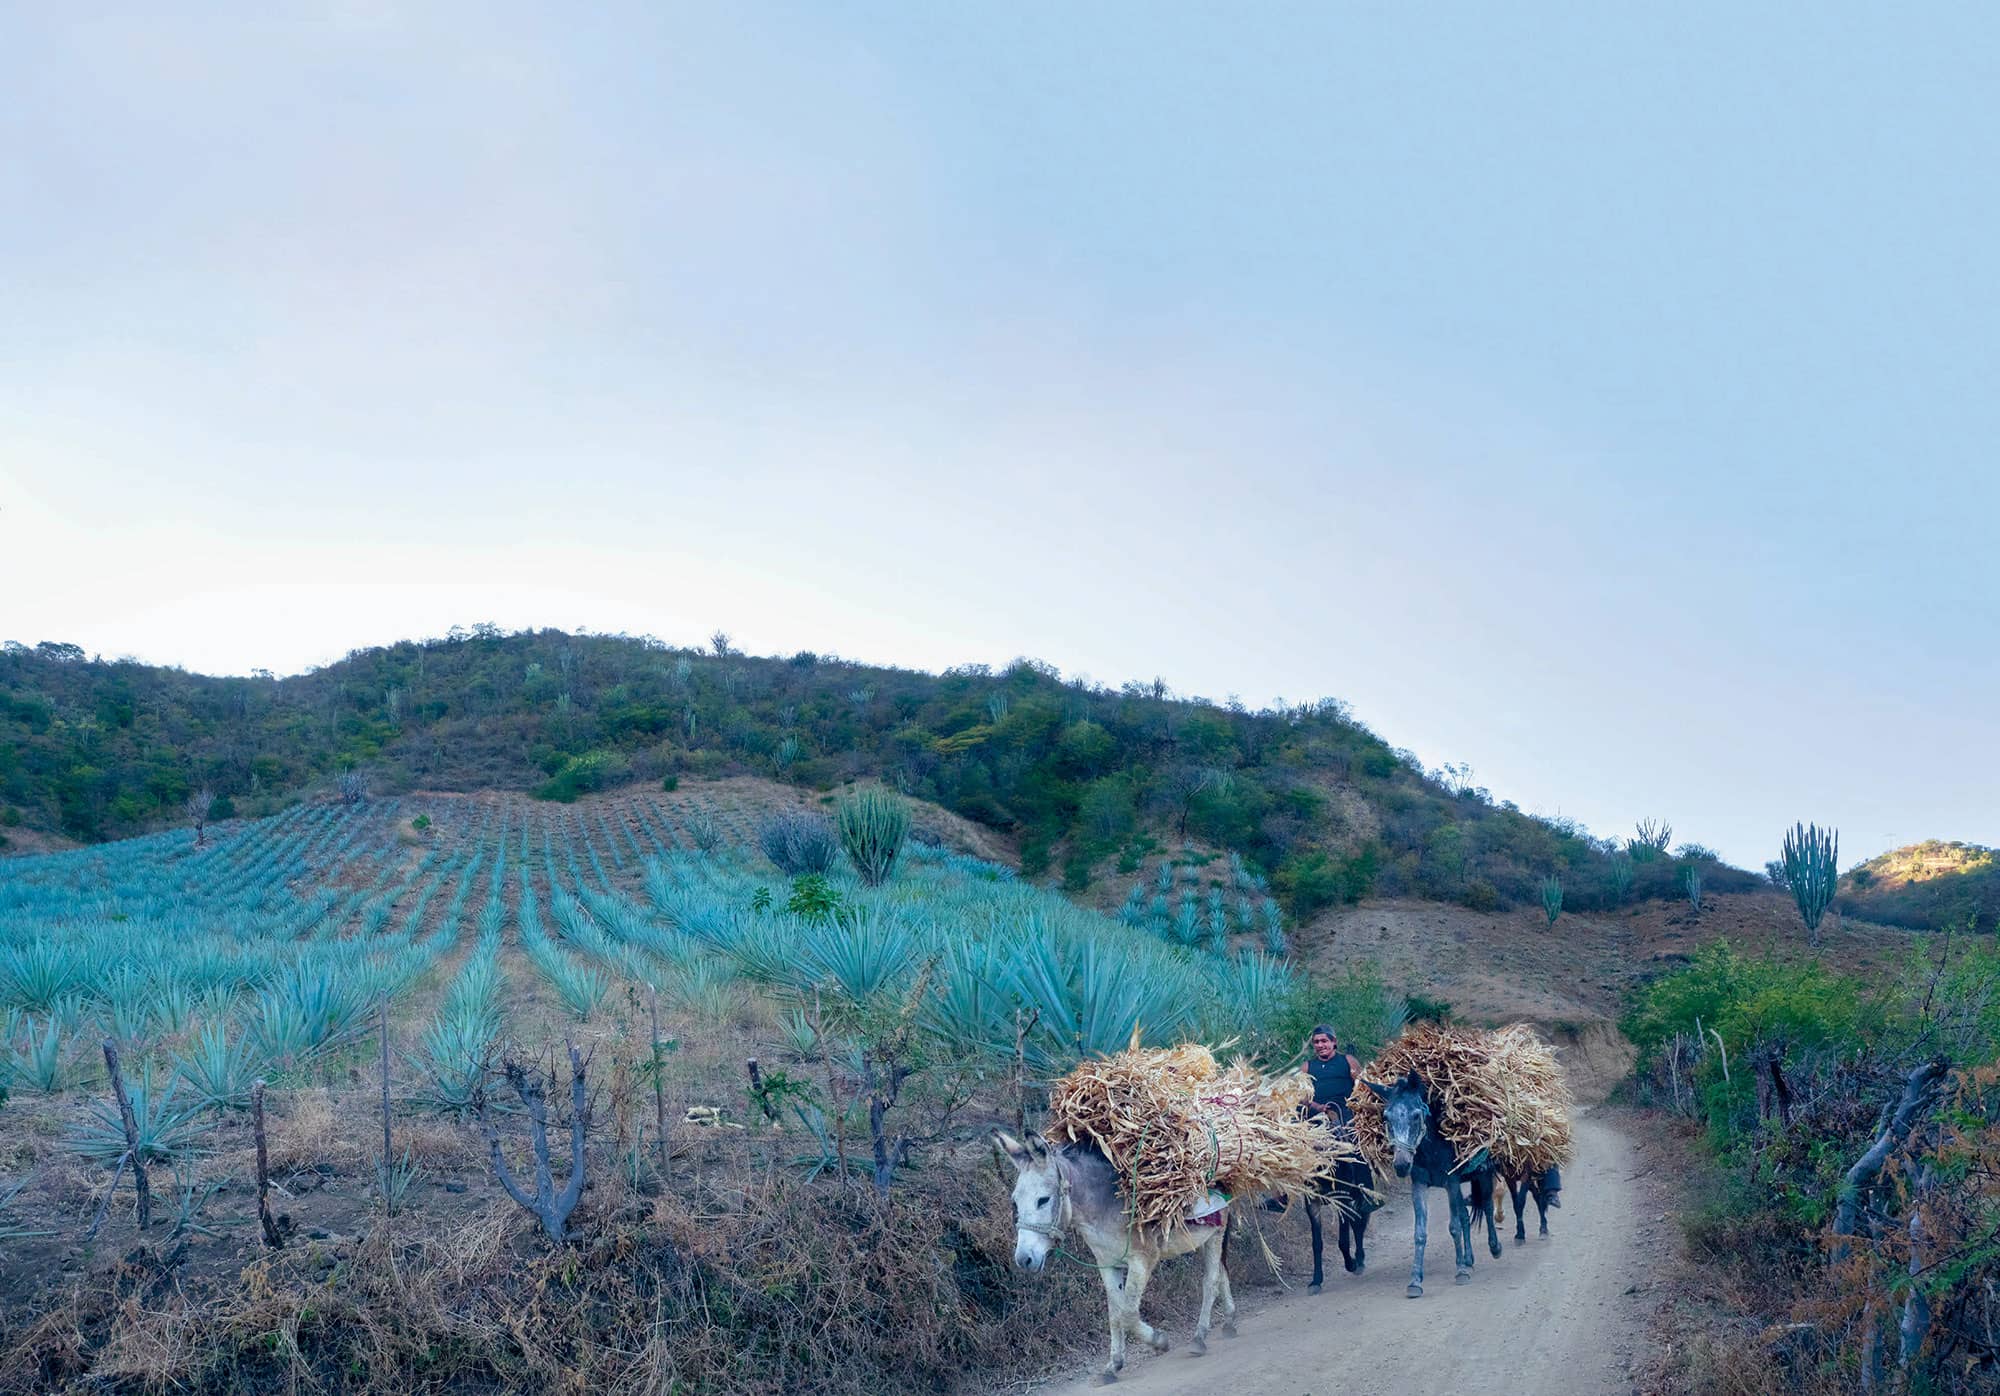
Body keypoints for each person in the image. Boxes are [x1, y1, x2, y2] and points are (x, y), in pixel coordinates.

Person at [1302, 1024, 1362, 1126]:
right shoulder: (1307, 1067)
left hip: (1348, 1118)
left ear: (1334, 1041)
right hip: (1318, 1120)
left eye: (1324, 1041)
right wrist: (1317, 1107)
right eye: (1316, 1042)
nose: (1320, 1045)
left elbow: (1362, 1088)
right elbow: (1300, 1096)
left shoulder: (1348, 1061)